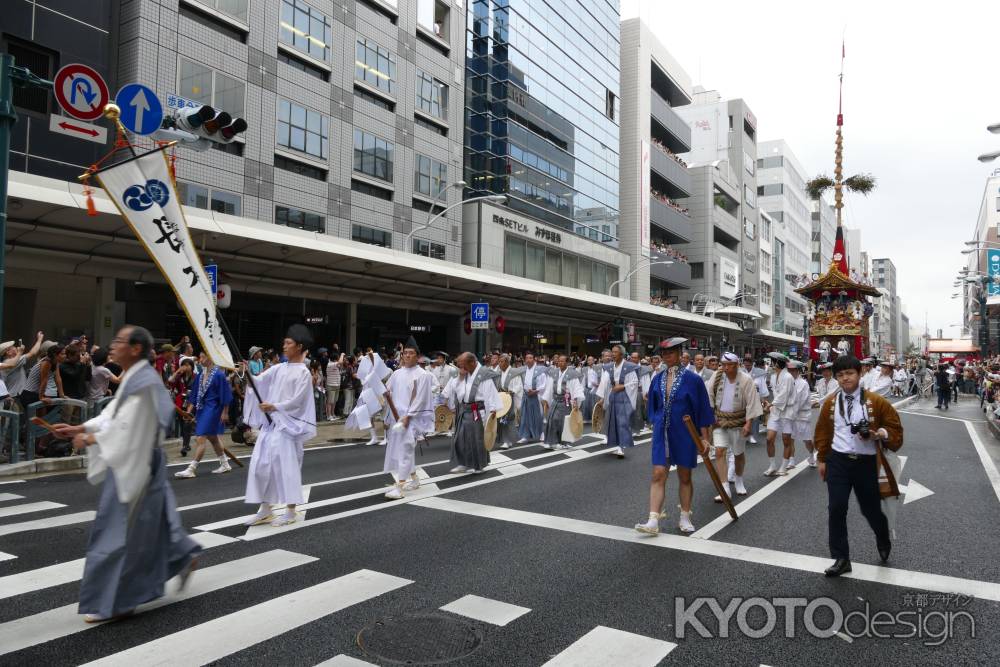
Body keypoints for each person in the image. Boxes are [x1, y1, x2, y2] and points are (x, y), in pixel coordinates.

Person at [51, 326, 201, 623]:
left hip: (137, 464)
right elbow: (113, 417)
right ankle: (182, 555)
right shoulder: (138, 376)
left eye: (119, 341)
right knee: (150, 527)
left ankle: (122, 599)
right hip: (136, 462)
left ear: (135, 348)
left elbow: (129, 428)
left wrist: (90, 439)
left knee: (122, 535)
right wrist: (81, 428)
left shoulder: (143, 381)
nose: (112, 346)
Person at [814, 355, 903, 576]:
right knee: (836, 508)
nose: (845, 378)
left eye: (850, 373)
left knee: (870, 510)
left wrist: (878, 434)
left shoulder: (876, 401)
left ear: (859, 374)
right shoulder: (831, 404)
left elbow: (895, 430)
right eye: (841, 375)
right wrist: (822, 459)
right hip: (838, 462)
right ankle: (841, 558)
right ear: (836, 378)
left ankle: (882, 536)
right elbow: (823, 433)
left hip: (866, 463)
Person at [636, 338, 714, 535]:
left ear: (680, 354)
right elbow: (652, 405)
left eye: (671, 353)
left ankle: (685, 516)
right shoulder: (657, 378)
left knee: (685, 476)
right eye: (664, 354)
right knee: (658, 473)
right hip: (663, 431)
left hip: (686, 432)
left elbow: (703, 409)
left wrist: (705, 438)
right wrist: (656, 420)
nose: (667, 357)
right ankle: (653, 519)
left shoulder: (693, 380)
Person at [243, 324, 316, 527]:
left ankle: (291, 511)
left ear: (299, 346)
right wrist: (247, 374)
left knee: (287, 469)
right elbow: (258, 382)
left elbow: (298, 401)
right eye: (284, 342)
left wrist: (275, 406)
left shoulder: (303, 373)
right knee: (261, 467)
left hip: (289, 428)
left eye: (288, 343)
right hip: (271, 427)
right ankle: (265, 509)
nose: (284, 346)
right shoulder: (278, 368)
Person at [706, 352, 763, 500]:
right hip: (720, 420)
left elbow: (752, 402)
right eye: (723, 365)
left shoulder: (746, 379)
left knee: (738, 454)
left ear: (737, 365)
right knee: (719, 451)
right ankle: (725, 487)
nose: (725, 368)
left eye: (729, 365)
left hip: (738, 421)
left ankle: (738, 479)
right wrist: (711, 415)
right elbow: (709, 394)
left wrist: (749, 423)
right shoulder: (717, 376)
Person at [382, 342, 433, 499]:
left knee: (405, 448)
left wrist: (408, 417)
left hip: (412, 417)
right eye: (405, 353)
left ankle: (399, 486)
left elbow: (421, 399)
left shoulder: (423, 375)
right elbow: (387, 390)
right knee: (403, 448)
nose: (407, 355)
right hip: (397, 417)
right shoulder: (397, 373)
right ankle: (415, 479)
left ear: (417, 356)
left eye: (411, 353)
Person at [174, 352, 233, 478]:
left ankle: (191, 468)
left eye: (203, 357)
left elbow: (225, 393)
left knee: (200, 438)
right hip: (202, 408)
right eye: (200, 357)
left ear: (210, 358)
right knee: (213, 438)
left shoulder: (219, 375)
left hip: (213, 409)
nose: (200, 360)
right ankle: (225, 463)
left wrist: (225, 412)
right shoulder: (201, 375)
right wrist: (189, 411)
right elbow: (194, 395)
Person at [443, 352, 500, 473]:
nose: (462, 368)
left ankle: (479, 465)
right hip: (464, 410)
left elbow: (490, 395)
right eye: (460, 366)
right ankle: (463, 463)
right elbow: (458, 394)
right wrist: (460, 377)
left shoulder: (484, 374)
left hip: (477, 411)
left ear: (473, 362)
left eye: (464, 365)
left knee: (477, 439)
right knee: (460, 438)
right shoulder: (464, 374)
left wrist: (491, 413)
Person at [597, 344, 639, 458]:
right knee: (613, 421)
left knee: (622, 422)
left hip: (623, 397)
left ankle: (621, 447)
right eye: (612, 352)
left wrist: (623, 386)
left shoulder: (629, 366)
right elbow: (605, 383)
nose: (613, 354)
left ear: (621, 354)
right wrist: (602, 398)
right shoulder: (609, 367)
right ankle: (617, 445)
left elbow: (634, 383)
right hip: (612, 396)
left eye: (615, 352)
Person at [542, 354, 584, 450]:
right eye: (559, 361)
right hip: (556, 400)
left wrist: (575, 401)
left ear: (567, 363)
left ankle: (564, 442)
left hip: (566, 401)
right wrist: (546, 400)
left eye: (562, 361)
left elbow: (576, 388)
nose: (560, 363)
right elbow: (549, 387)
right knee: (553, 420)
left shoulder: (572, 374)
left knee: (565, 423)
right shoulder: (554, 373)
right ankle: (554, 441)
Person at [763, 353, 796, 476]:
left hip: (787, 411)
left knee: (786, 440)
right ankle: (772, 465)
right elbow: (775, 394)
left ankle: (783, 466)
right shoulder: (772, 376)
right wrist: (768, 403)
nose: (770, 364)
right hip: (776, 411)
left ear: (776, 363)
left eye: (771, 361)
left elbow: (783, 395)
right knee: (769, 438)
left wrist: (770, 404)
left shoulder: (787, 377)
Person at [787, 360, 815, 468]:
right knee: (790, 439)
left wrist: (790, 412)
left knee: (807, 440)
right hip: (791, 415)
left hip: (802, 416)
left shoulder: (803, 384)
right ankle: (791, 460)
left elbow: (799, 401)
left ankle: (811, 454)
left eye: (793, 370)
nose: (791, 372)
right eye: (789, 370)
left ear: (798, 371)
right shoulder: (787, 382)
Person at [516, 352, 547, 444]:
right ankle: (525, 435)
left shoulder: (539, 370)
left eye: (530, 358)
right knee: (524, 416)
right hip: (526, 395)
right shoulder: (523, 370)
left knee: (537, 415)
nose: (528, 360)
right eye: (527, 358)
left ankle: (541, 433)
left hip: (535, 395)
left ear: (534, 359)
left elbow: (543, 384)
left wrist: (535, 391)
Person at [495, 354, 522, 450]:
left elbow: (518, 385)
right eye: (499, 362)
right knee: (502, 419)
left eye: (501, 362)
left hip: (509, 398)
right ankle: (507, 440)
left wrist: (512, 391)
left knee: (508, 418)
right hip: (501, 398)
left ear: (507, 362)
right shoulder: (499, 372)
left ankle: (507, 440)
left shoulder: (513, 372)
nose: (499, 364)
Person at [324, 352, 343, 421]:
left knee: (334, 401)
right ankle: (329, 416)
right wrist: (342, 354)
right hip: (331, 385)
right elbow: (340, 362)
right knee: (330, 401)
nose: (339, 359)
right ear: (335, 358)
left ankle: (333, 414)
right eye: (338, 357)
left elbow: (340, 365)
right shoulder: (330, 364)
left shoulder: (335, 365)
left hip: (337, 385)